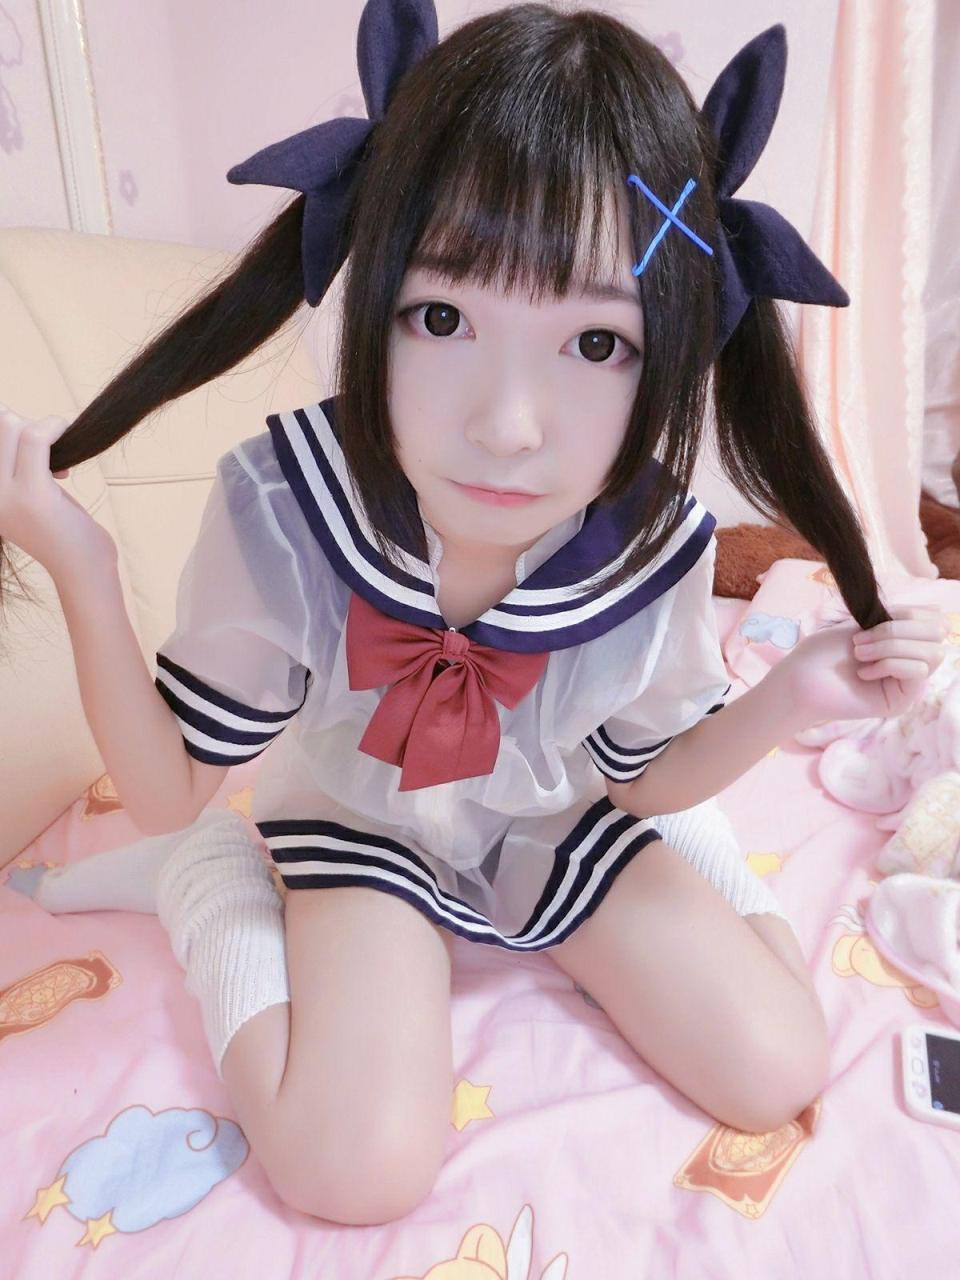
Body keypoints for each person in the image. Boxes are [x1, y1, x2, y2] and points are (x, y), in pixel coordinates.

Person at [0, 1, 948, 1226]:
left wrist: (790, 694)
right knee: (355, 1169)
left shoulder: (651, 540)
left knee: (778, 1067)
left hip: (556, 817)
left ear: (672, 346)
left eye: (596, 342)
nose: (507, 424)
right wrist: (80, 564)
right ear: (375, 300)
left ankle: (684, 867)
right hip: (360, 820)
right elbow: (172, 786)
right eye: (443, 318)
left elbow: (643, 780)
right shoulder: (289, 508)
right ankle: (213, 891)